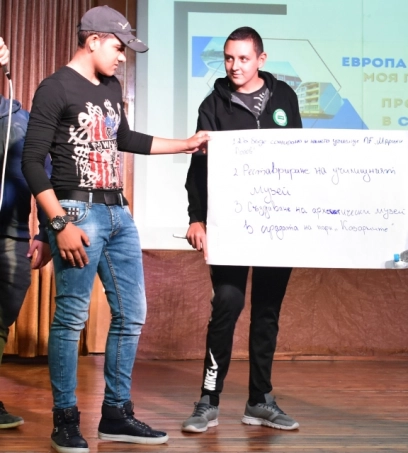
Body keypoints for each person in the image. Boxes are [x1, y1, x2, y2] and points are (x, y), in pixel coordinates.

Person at [20, 6, 209, 453]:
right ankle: (65, 419)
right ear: (93, 41)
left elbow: (124, 139)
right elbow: (32, 162)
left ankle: (116, 414)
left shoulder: (110, 87)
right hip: (76, 212)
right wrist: (57, 225)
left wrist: (185, 144)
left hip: (118, 214)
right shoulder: (54, 88)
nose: (123, 58)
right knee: (71, 317)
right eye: (119, 48)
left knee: (131, 313)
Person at [181, 26, 302, 433]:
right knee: (228, 304)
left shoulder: (285, 98)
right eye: (229, 58)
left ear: (261, 60)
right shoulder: (213, 104)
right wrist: (196, 218)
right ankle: (208, 400)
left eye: (244, 58)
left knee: (267, 313)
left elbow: (301, 157)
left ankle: (259, 401)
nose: (234, 66)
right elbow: (198, 166)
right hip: (230, 225)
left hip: (278, 226)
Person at [0, 37, 52, 430]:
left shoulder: (22, 123)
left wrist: (47, 234)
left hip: (12, 237)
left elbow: (46, 180)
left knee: (1, 319)